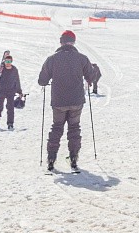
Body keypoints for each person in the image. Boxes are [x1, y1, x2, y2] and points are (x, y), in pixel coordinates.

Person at [37, 30, 96, 172]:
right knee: (74, 128)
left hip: (58, 101)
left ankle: (51, 158)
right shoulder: (82, 58)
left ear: (61, 42)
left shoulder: (52, 59)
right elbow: (92, 76)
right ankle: (74, 158)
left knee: (57, 128)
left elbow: (42, 81)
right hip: (76, 100)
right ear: (73, 42)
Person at [0, 52, 22, 130]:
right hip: (0, 91)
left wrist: (19, 91)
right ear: (4, 61)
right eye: (6, 61)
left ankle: (10, 123)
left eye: (9, 61)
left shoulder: (14, 70)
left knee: (10, 108)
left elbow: (17, 80)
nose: (7, 63)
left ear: (11, 61)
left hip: (11, 91)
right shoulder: (0, 70)